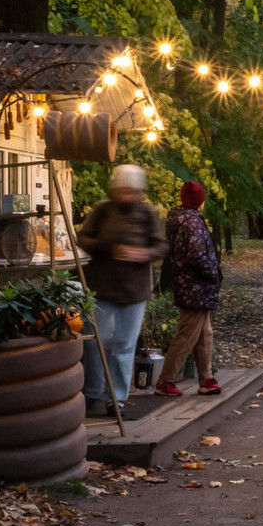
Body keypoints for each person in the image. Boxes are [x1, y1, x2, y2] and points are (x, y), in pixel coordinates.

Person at [79, 165, 168, 420]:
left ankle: (115, 399)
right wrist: (110, 249)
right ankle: (92, 392)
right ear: (115, 188)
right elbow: (83, 239)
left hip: (134, 291)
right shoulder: (102, 210)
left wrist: (144, 254)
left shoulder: (146, 214)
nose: (127, 195)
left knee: (123, 347)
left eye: (132, 191)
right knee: (96, 342)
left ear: (139, 191)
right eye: (123, 190)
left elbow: (161, 245)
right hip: (102, 288)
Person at [155, 182, 223, 398]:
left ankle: (206, 379)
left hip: (192, 286)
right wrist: (214, 273)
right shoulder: (191, 222)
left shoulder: (183, 219)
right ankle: (166, 381)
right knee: (188, 334)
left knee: (205, 334)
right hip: (196, 287)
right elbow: (196, 256)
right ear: (198, 200)